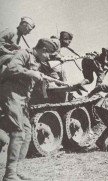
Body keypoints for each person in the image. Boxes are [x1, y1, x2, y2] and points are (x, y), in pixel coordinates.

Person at [0, 38, 66, 181]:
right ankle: (10, 175)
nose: (49, 58)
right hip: (11, 94)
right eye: (49, 54)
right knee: (18, 132)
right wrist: (30, 73)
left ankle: (17, 170)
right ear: (43, 50)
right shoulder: (23, 53)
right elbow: (12, 68)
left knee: (27, 133)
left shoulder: (36, 61)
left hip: (23, 99)